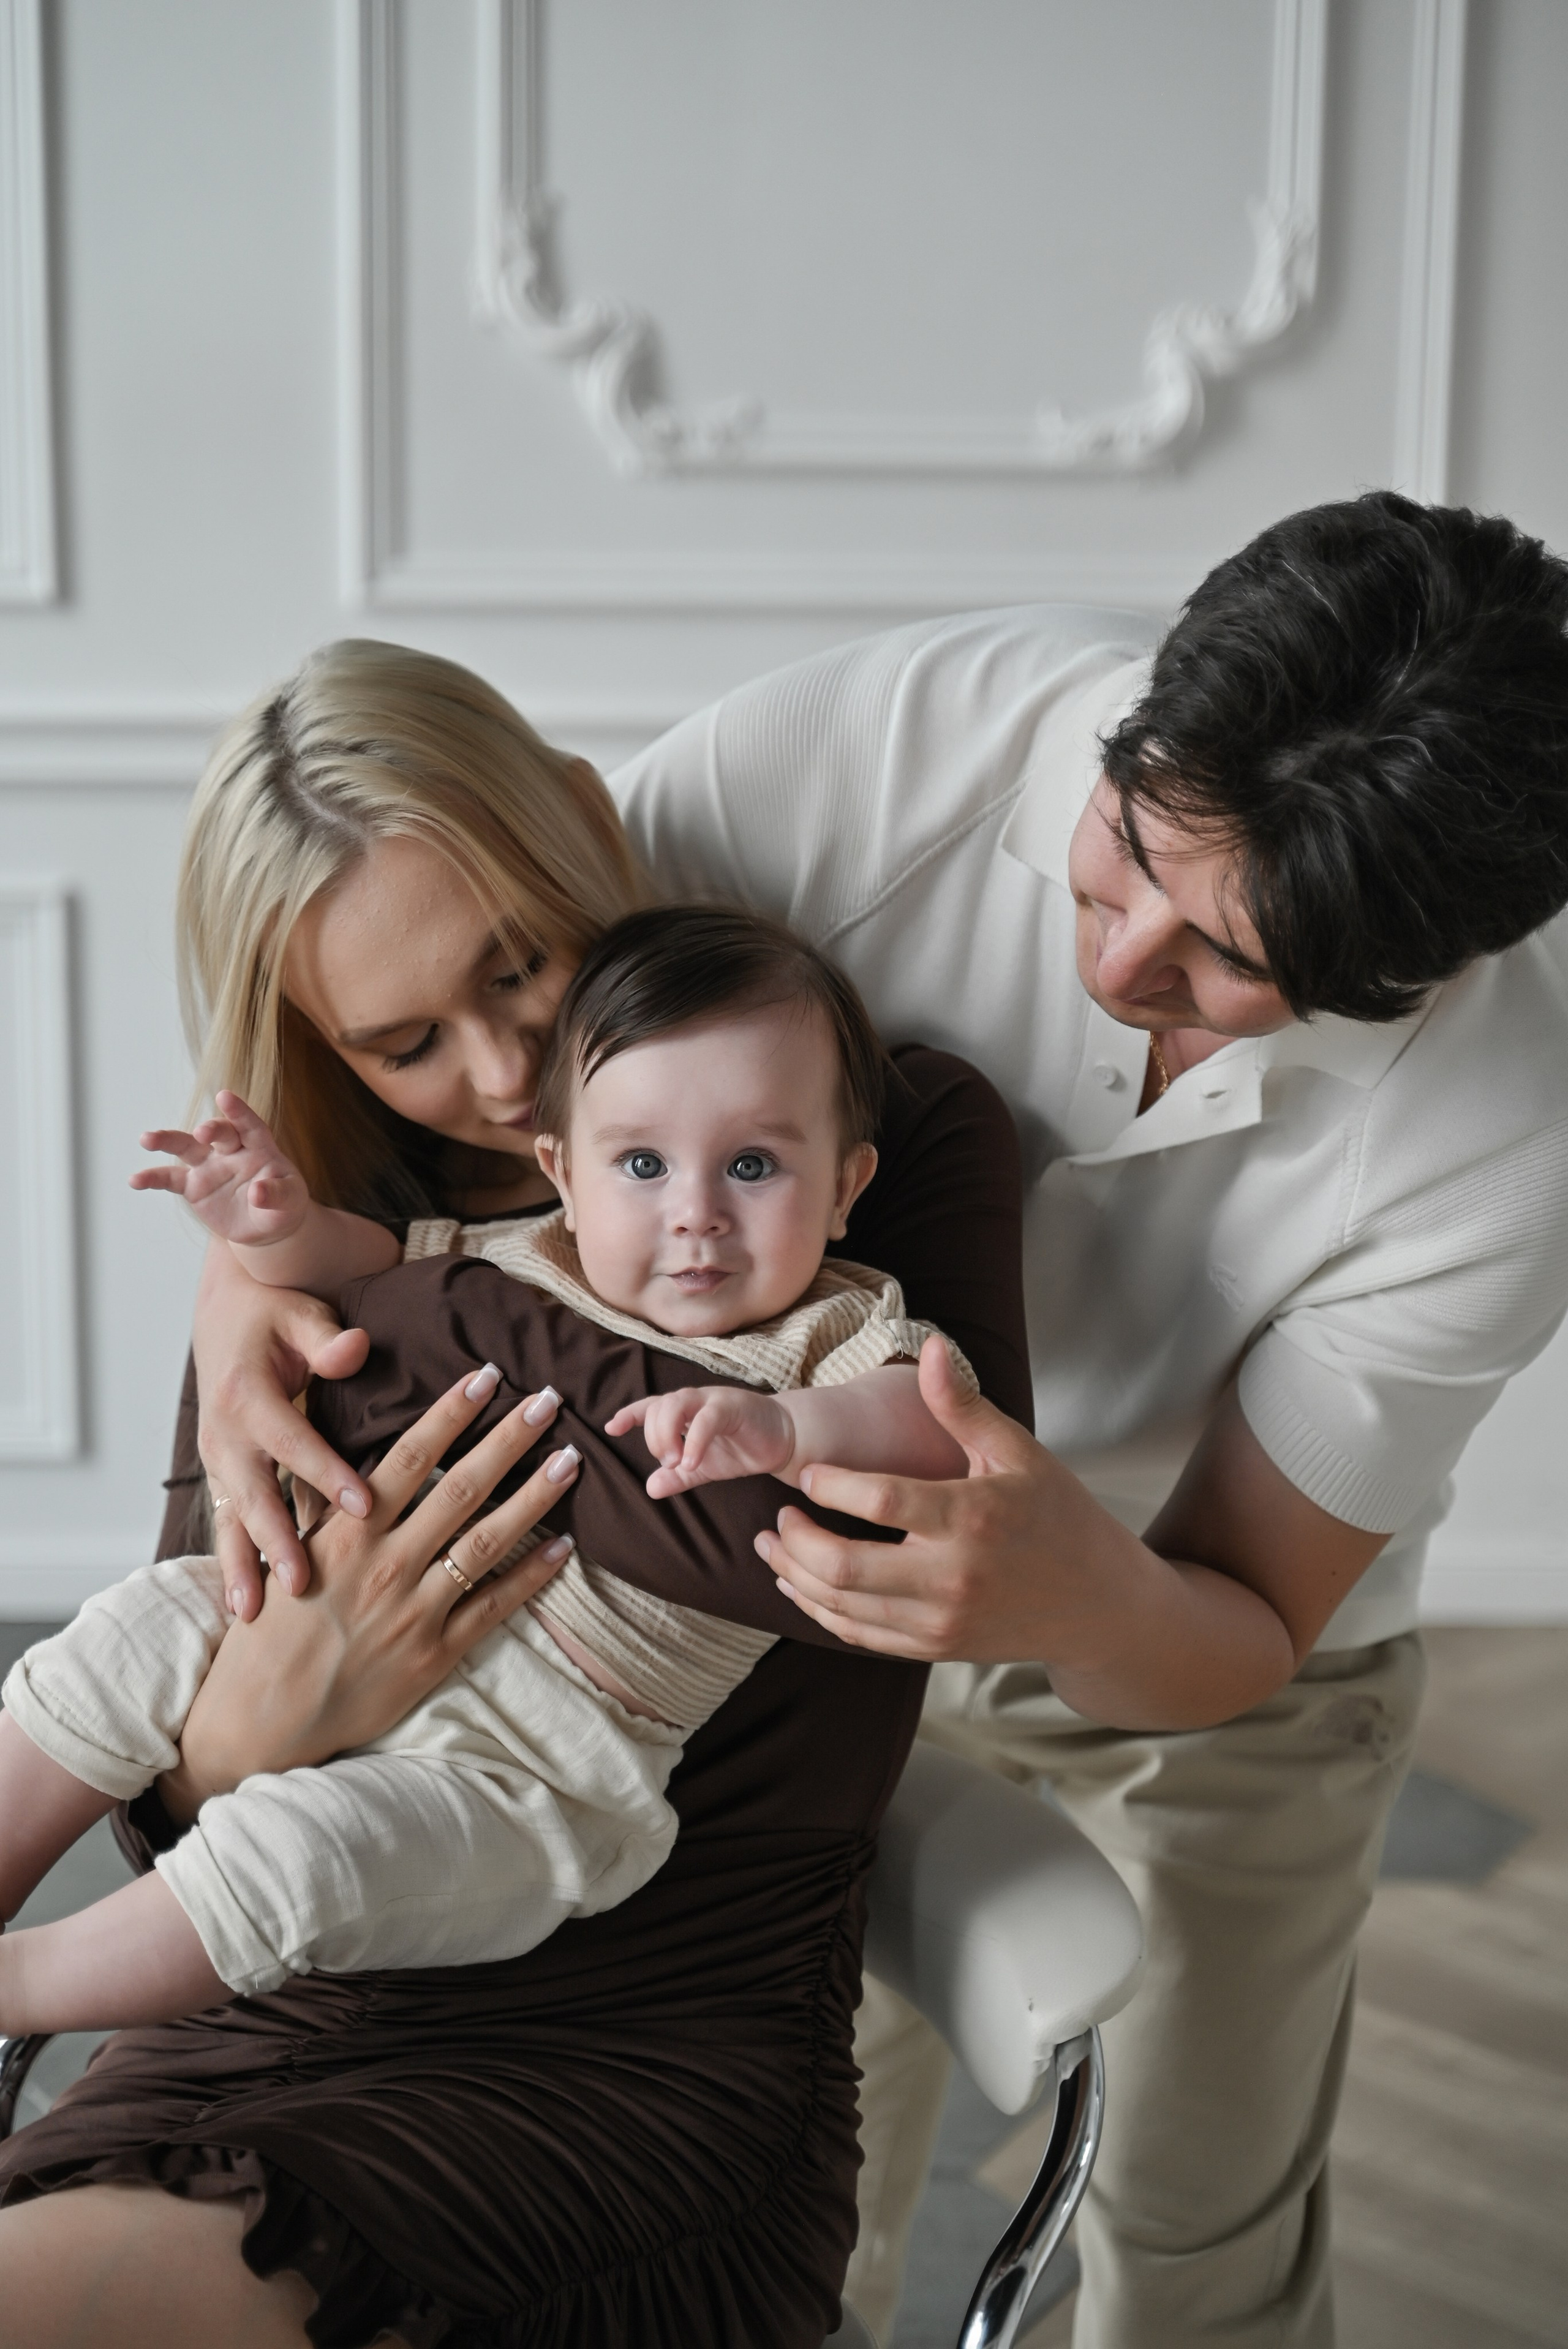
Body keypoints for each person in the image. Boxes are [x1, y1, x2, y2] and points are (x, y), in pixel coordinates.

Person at [156, 494, 1568, 2349]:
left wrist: (1065, 1587)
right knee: (819, 2162)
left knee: (1202, 2218)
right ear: (1141, 726)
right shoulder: (890, 750)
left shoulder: (1498, 1139)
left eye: (1228, 963)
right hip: (760, 1597)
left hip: (1206, 1644)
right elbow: (409, 960)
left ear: (1417, 979)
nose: (1123, 955)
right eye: (1124, 851)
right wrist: (243, 1285)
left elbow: (1239, 1619)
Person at [0, 641, 1031, 2349]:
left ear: (577, 822)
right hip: (271, 1989)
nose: (494, 1072)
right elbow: (175, 1767)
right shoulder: (308, 1231)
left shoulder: (870, 1130)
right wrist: (281, 1706)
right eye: (403, 1039)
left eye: (522, 970)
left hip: (636, 2036)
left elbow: (863, 1538)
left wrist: (398, 1305)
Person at [0, 907, 971, 2019]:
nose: (696, 1215)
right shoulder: (536, 1261)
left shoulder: (835, 1329)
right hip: (334, 1615)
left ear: (847, 1186)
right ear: (562, 1171)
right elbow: (364, 1266)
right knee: (135, 1628)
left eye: (753, 1165)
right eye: (643, 1164)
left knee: (300, 1852)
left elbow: (942, 1428)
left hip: (538, 1773)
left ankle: (24, 1989)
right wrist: (271, 1226)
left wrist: (797, 1431)